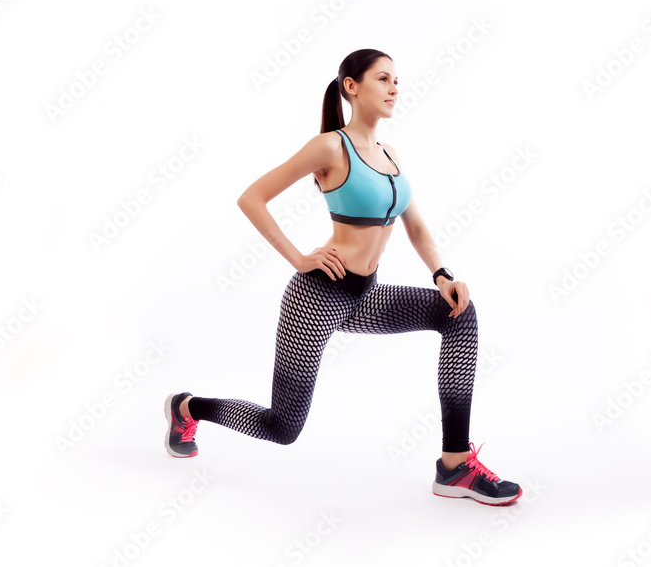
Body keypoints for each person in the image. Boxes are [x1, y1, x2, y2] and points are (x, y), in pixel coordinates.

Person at [163, 49, 521, 505]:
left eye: (397, 80)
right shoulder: (331, 146)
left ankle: (454, 466)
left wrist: (442, 275)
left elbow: (416, 228)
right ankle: (186, 407)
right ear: (352, 86)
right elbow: (252, 197)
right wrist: (298, 258)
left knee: (458, 314)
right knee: (282, 428)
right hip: (317, 299)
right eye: (383, 78)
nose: (395, 88)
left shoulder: (390, 154)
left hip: (366, 296)